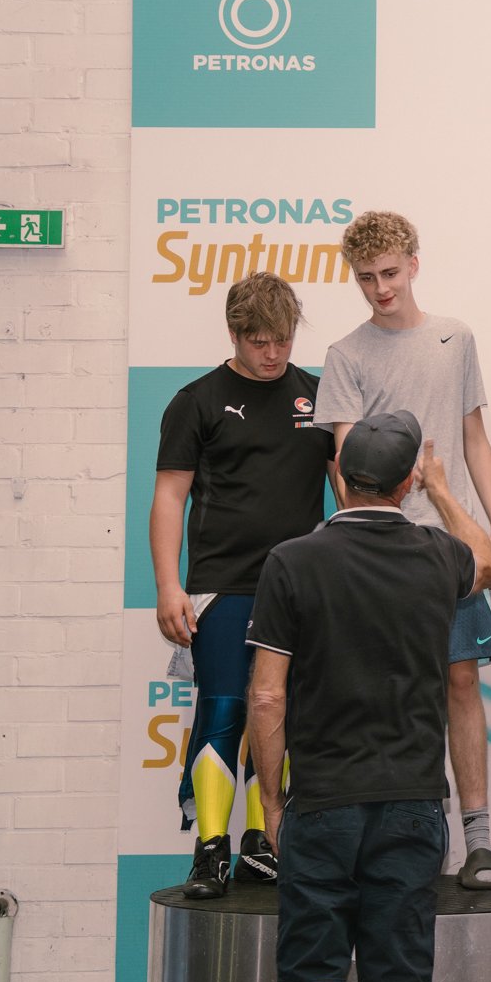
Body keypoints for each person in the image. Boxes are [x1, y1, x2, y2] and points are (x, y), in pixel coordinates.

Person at [247, 412, 491, 982]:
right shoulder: (437, 554)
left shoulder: (292, 560)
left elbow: (266, 697)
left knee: (312, 961)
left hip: (325, 796)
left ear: (338, 476)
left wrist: (271, 800)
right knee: (389, 970)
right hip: (415, 799)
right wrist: (445, 492)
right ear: (404, 483)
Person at [314, 211, 491, 890]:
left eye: (391, 273)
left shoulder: (455, 337)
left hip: (451, 544)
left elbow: (474, 437)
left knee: (461, 682)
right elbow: (347, 463)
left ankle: (478, 841)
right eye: (367, 278)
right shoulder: (345, 354)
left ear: (414, 264)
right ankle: (404, 842)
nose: (381, 288)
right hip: (379, 550)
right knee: (387, 692)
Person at [151, 272, 334, 899]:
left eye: (282, 339)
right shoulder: (196, 401)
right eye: (259, 341)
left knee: (280, 709)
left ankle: (262, 841)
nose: (273, 353)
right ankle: (211, 848)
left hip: (298, 588)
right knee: (225, 708)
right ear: (234, 334)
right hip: (221, 585)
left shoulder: (317, 395)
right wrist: (168, 585)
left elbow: (348, 485)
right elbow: (169, 497)